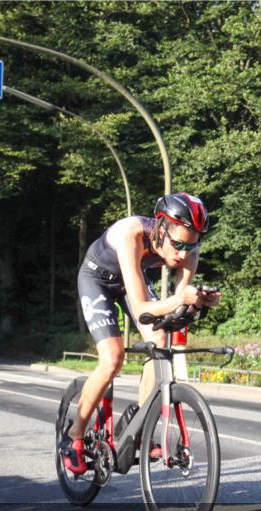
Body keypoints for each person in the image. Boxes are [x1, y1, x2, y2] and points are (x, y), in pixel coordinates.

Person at [59, 193, 221, 469]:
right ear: (160, 229)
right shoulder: (130, 234)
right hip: (97, 279)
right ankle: (73, 435)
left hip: (129, 281)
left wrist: (196, 304)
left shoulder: (189, 254)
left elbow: (174, 311)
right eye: (178, 244)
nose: (183, 254)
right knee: (112, 359)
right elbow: (142, 305)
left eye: (190, 246)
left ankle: (138, 431)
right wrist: (182, 299)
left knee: (159, 340)